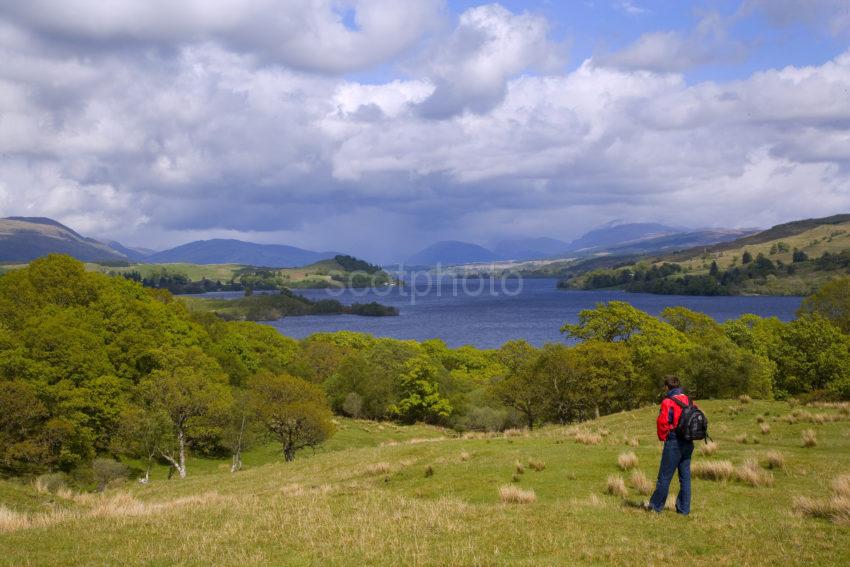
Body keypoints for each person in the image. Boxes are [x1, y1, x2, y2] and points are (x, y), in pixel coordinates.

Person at [646, 375, 694, 514]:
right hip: (688, 442)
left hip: (674, 441)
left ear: (667, 387)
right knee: (685, 477)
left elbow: (662, 422)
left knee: (664, 477)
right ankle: (684, 509)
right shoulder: (689, 399)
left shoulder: (668, 401)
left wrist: (663, 437)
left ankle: (655, 506)